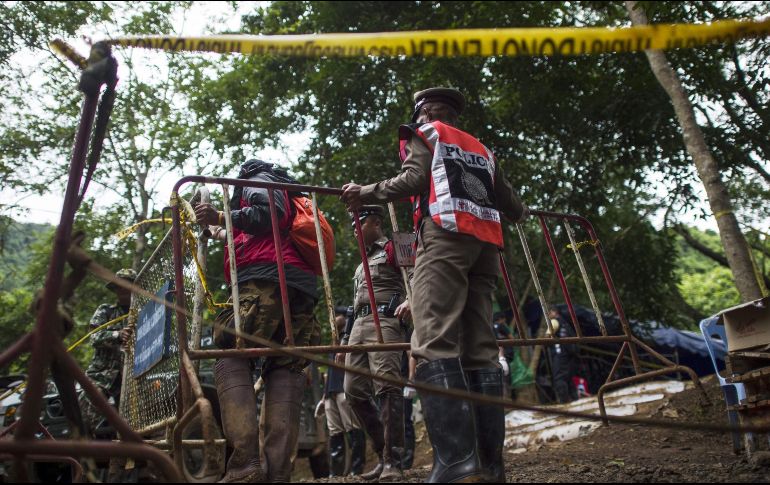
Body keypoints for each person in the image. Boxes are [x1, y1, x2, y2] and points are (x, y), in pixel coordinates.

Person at [341, 87, 528, 483]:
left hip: (444, 236)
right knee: (480, 348)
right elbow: (513, 206)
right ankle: (490, 467)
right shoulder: (480, 148)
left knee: (433, 339)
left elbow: (414, 178)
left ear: (423, 112)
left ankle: (458, 464)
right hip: (487, 247)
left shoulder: (426, 133)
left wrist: (365, 192)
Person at [195, 159, 321, 483]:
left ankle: (243, 468)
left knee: (227, 350)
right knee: (285, 367)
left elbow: (269, 215)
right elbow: (251, 228)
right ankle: (277, 474)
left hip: (265, 280)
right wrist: (217, 227)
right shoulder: (286, 191)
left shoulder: (256, 180)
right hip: (298, 287)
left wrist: (221, 213)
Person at [338, 205, 410, 482]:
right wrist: (345, 342)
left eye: (359, 224)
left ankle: (393, 460)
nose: (355, 230)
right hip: (358, 327)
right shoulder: (361, 263)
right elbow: (355, 306)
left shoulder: (394, 247)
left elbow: (415, 275)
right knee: (353, 390)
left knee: (387, 386)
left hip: (386, 321)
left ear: (375, 222)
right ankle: (382, 454)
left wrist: (411, 299)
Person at [78, 268, 135, 436]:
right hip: (102, 375)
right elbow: (93, 337)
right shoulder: (106, 311)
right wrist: (117, 334)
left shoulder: (143, 314)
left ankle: (131, 458)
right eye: (119, 286)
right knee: (85, 416)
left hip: (132, 377)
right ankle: (81, 454)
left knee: (131, 424)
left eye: (127, 285)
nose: (123, 290)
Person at [315, 307, 366, 477]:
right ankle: (335, 474)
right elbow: (330, 372)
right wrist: (324, 397)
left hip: (345, 389)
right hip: (331, 393)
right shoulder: (334, 339)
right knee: (334, 433)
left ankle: (356, 470)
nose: (333, 318)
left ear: (345, 317)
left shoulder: (352, 334)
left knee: (353, 429)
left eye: (336, 315)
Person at [547, 307, 579, 404]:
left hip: (559, 353)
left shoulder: (554, 322)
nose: (548, 314)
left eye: (550, 312)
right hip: (569, 354)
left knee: (559, 377)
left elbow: (548, 336)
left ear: (555, 312)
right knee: (568, 377)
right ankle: (575, 399)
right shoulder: (566, 323)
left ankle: (563, 401)